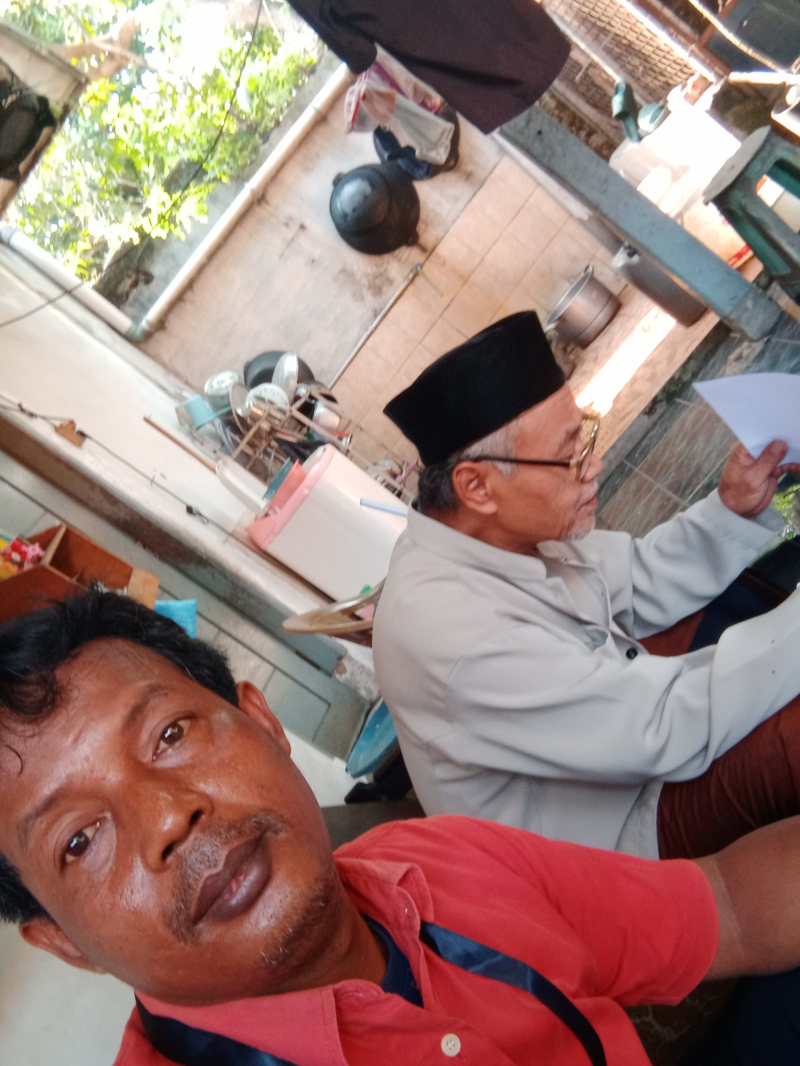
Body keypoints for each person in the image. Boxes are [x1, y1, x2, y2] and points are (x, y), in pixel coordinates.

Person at [3, 589, 800, 1066]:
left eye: (170, 734)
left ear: (263, 722)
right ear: (66, 942)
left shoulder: (443, 856)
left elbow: (729, 906)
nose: (168, 816)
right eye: (79, 841)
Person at [373, 310, 800, 862]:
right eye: (569, 454)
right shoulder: (455, 637)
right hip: (612, 841)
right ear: (476, 486)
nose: (594, 465)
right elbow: (660, 726)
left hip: (631, 738)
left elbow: (638, 580)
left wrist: (732, 508)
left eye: (586, 435)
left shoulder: (502, 530)